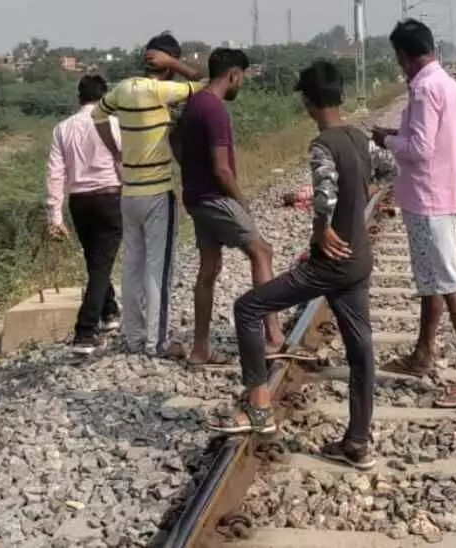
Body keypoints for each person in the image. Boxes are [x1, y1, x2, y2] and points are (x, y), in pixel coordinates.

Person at [207, 61, 393, 471]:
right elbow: (391, 167)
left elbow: (325, 190)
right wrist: (363, 196)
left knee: (248, 308)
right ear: (340, 96)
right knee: (361, 352)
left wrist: (324, 226)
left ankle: (258, 407)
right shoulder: (359, 137)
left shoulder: (323, 143)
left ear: (307, 101)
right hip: (359, 259)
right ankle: (358, 441)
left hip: (330, 264)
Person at [373, 18, 456, 407]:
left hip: (428, 197)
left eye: (398, 58)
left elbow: (418, 149)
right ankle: (422, 353)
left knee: (449, 282)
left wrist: (386, 139)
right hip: (436, 193)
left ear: (404, 56)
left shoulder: (423, 89)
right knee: (431, 280)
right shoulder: (446, 83)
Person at [95, 33, 204, 356]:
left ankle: (133, 337)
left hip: (128, 193)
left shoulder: (124, 88)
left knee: (132, 266)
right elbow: (207, 83)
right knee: (159, 268)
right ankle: (158, 343)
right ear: (166, 63)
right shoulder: (162, 90)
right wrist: (176, 64)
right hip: (157, 194)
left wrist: (115, 151)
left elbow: (97, 115)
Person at [176, 47, 285, 365]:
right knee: (261, 252)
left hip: (195, 197)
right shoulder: (216, 110)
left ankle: (200, 349)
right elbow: (222, 168)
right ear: (234, 74)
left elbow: (175, 141)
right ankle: (274, 334)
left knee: (209, 269)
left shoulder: (194, 102)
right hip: (215, 198)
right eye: (242, 79)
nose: (242, 85)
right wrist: (242, 202)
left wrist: (189, 171)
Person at [45, 74, 124, 354]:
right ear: (105, 99)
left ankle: (110, 312)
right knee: (101, 264)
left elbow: (55, 173)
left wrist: (55, 216)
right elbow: (122, 162)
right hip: (109, 197)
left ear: (79, 97)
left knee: (95, 260)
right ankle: (85, 331)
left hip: (79, 202)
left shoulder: (62, 129)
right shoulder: (114, 123)